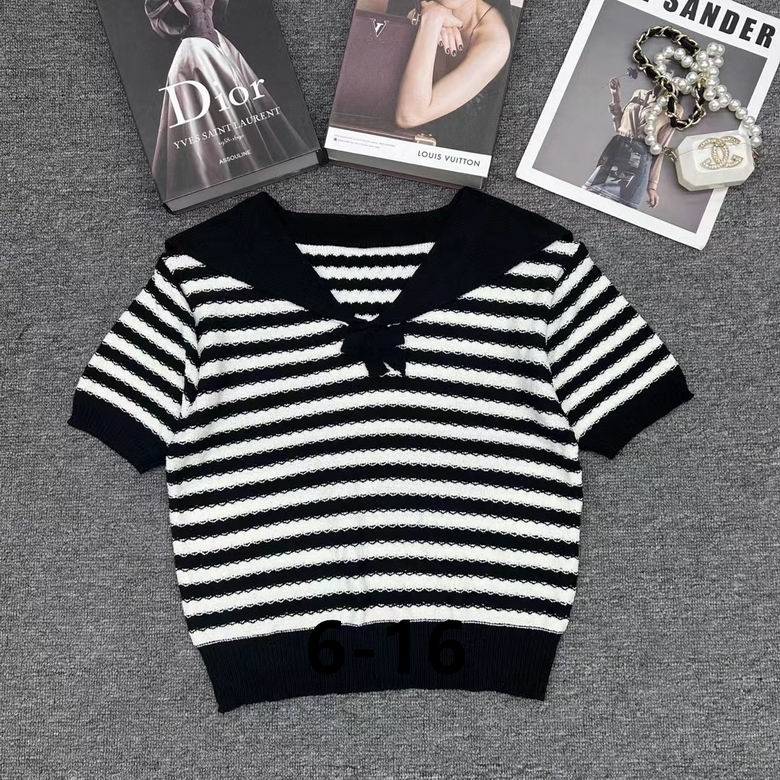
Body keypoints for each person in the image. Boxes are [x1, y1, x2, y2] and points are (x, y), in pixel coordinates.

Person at [145, 0, 308, 200]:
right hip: (195, 55)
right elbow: (157, 15)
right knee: (204, 119)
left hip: (219, 47)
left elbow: (217, 15)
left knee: (242, 108)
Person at [394, 0, 512, 152]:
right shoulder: (413, 5)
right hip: (394, 148)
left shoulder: (495, 41)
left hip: (453, 160)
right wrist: (429, 13)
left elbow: (409, 116)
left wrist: (432, 19)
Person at [583, 77, 679, 210]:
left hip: (637, 161)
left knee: (616, 210)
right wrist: (615, 95)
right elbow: (619, 126)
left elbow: (660, 149)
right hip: (617, 150)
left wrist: (652, 186)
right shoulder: (639, 93)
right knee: (587, 198)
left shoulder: (674, 110)